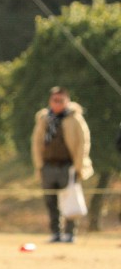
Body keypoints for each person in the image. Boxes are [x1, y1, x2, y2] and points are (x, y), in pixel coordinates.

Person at [32, 87, 93, 243]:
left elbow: (83, 143)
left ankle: (70, 233)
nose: (57, 103)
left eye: (61, 100)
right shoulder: (44, 118)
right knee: (51, 201)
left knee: (70, 199)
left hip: (68, 165)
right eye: (54, 100)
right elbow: (37, 142)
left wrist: (79, 165)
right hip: (48, 165)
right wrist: (39, 164)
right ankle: (56, 233)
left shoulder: (75, 118)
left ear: (67, 101)